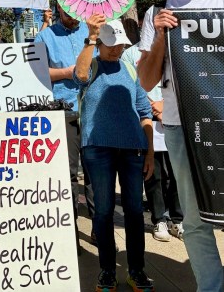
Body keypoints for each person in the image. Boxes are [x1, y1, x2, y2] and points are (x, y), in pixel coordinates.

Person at [138, 0, 224, 292]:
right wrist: (159, 37)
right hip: (181, 128)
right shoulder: (157, 14)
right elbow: (145, 80)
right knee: (194, 218)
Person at [75, 16, 155, 292]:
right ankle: (107, 271)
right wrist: (92, 38)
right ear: (100, 43)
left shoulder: (130, 69)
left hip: (133, 149)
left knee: (134, 212)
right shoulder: (92, 62)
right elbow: (79, 75)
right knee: (104, 211)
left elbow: (145, 114)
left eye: (120, 44)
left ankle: (137, 271)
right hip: (97, 148)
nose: (116, 49)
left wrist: (150, 153)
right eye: (111, 44)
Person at [34, 3, 95, 250]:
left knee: (95, 175)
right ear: (58, 7)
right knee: (67, 175)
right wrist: (68, 72)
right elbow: (37, 72)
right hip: (63, 112)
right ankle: (70, 233)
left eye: (75, 8)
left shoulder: (93, 32)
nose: (71, 12)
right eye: (66, 8)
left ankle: (100, 229)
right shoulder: (44, 36)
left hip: (93, 111)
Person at [122, 43, 183, 243]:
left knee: (176, 173)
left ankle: (177, 218)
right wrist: (153, 107)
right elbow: (129, 84)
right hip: (149, 120)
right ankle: (159, 219)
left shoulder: (175, 48)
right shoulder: (130, 53)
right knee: (153, 173)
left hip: (174, 117)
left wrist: (165, 106)